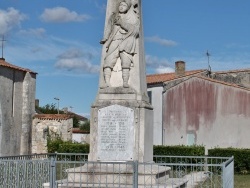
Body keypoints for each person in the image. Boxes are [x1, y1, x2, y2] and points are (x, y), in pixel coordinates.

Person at [100, 0, 140, 88]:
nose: (121, 6)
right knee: (108, 60)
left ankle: (125, 82)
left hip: (126, 42)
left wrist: (122, 23)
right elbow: (109, 27)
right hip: (115, 40)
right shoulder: (114, 16)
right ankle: (106, 82)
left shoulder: (133, 18)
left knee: (126, 62)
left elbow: (135, 30)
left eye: (124, 5)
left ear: (128, 7)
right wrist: (105, 38)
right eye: (120, 5)